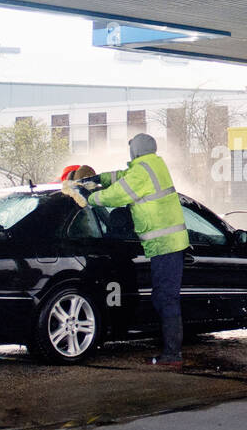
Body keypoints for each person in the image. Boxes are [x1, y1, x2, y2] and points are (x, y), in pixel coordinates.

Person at [63, 134, 189, 367]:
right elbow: (120, 177)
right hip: (167, 243)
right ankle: (171, 351)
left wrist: (90, 196)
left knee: (165, 298)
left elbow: (118, 194)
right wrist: (98, 178)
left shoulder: (142, 172)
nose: (130, 152)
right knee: (163, 297)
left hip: (166, 245)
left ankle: (173, 355)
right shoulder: (151, 165)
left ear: (137, 150)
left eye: (131, 148)